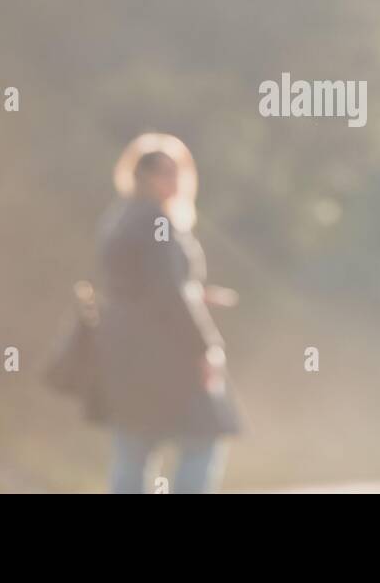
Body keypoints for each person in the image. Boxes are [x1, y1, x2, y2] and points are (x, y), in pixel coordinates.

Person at [97, 133, 240, 493]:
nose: (174, 181)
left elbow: (141, 286)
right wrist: (205, 347)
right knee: (203, 439)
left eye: (177, 172)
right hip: (163, 354)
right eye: (165, 172)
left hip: (121, 350)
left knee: (133, 448)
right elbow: (171, 293)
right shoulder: (155, 221)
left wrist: (196, 294)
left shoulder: (121, 217)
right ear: (142, 175)